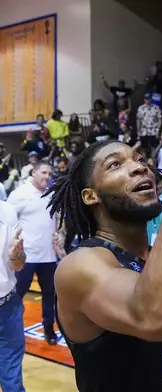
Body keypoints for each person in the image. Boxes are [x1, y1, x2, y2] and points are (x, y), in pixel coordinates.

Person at [44, 72, 162, 390]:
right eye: (115, 165)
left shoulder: (153, 258)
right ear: (91, 196)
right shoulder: (80, 266)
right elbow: (160, 316)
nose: (140, 166)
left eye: (141, 159)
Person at [7, 161, 58, 345]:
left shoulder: (51, 193)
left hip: (49, 256)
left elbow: (56, 219)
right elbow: (5, 221)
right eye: (43, 172)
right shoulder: (19, 194)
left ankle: (49, 330)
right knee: (16, 295)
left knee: (50, 295)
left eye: (49, 173)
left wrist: (60, 233)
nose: (47, 176)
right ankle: (9, 329)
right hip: (26, 256)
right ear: (34, 172)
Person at [0, 201, 26, 392]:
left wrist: (15, 256)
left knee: (13, 383)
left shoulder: (7, 210)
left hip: (9, 307)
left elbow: (18, 264)